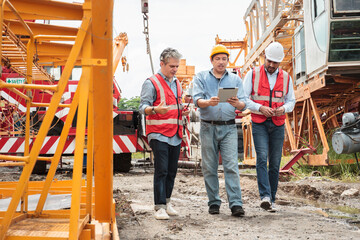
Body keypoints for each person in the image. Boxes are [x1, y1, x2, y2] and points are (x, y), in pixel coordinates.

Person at [192, 44, 246, 217]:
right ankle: (214, 202)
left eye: (224, 59)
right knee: (209, 167)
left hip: (229, 127)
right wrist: (208, 102)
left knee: (231, 166)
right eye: (218, 59)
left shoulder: (236, 79)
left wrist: (237, 103)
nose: (221, 62)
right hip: (208, 126)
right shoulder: (200, 77)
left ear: (227, 61)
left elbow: (244, 103)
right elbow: (197, 100)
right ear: (212, 60)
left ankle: (236, 204)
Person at [243, 42, 295, 212]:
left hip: (278, 123)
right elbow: (244, 99)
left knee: (274, 162)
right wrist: (260, 108)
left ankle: (271, 199)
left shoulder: (286, 77)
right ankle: (264, 195)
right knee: (262, 157)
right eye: (269, 61)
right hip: (259, 122)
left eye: (275, 63)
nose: (271, 65)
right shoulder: (252, 75)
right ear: (264, 57)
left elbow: (291, 102)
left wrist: (283, 109)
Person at [139, 48, 190, 220]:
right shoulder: (151, 83)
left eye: (177, 66)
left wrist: (182, 111)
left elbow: (175, 107)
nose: (175, 69)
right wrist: (155, 109)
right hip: (158, 133)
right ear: (162, 64)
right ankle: (159, 206)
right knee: (161, 170)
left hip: (175, 134)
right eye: (172, 66)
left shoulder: (177, 83)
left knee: (171, 170)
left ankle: (167, 202)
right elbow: (142, 108)